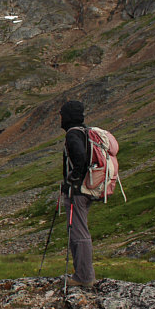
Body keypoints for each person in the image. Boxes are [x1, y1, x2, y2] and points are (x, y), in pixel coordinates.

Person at [60, 100, 96, 287]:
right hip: (85, 190)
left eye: (62, 115)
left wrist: (74, 178)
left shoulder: (73, 134)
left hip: (78, 191)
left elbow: (80, 157)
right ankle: (82, 274)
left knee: (79, 233)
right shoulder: (84, 132)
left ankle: (84, 277)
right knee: (78, 230)